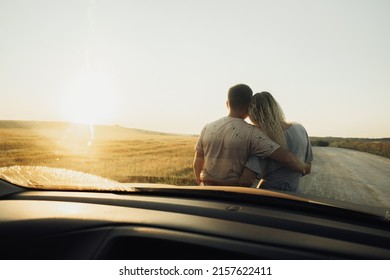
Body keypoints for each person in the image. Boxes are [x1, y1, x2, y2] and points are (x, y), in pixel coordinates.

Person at [193, 84, 311, 186]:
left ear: (227, 103)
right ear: (248, 108)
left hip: (206, 192)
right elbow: (286, 158)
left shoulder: (207, 127)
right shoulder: (253, 133)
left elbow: (197, 161)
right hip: (231, 197)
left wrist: (203, 182)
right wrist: (304, 168)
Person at [240, 91, 313, 191]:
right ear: (275, 107)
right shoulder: (300, 129)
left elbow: (246, 181)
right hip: (294, 193)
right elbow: (308, 168)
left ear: (253, 114)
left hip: (269, 197)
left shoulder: (263, 139)